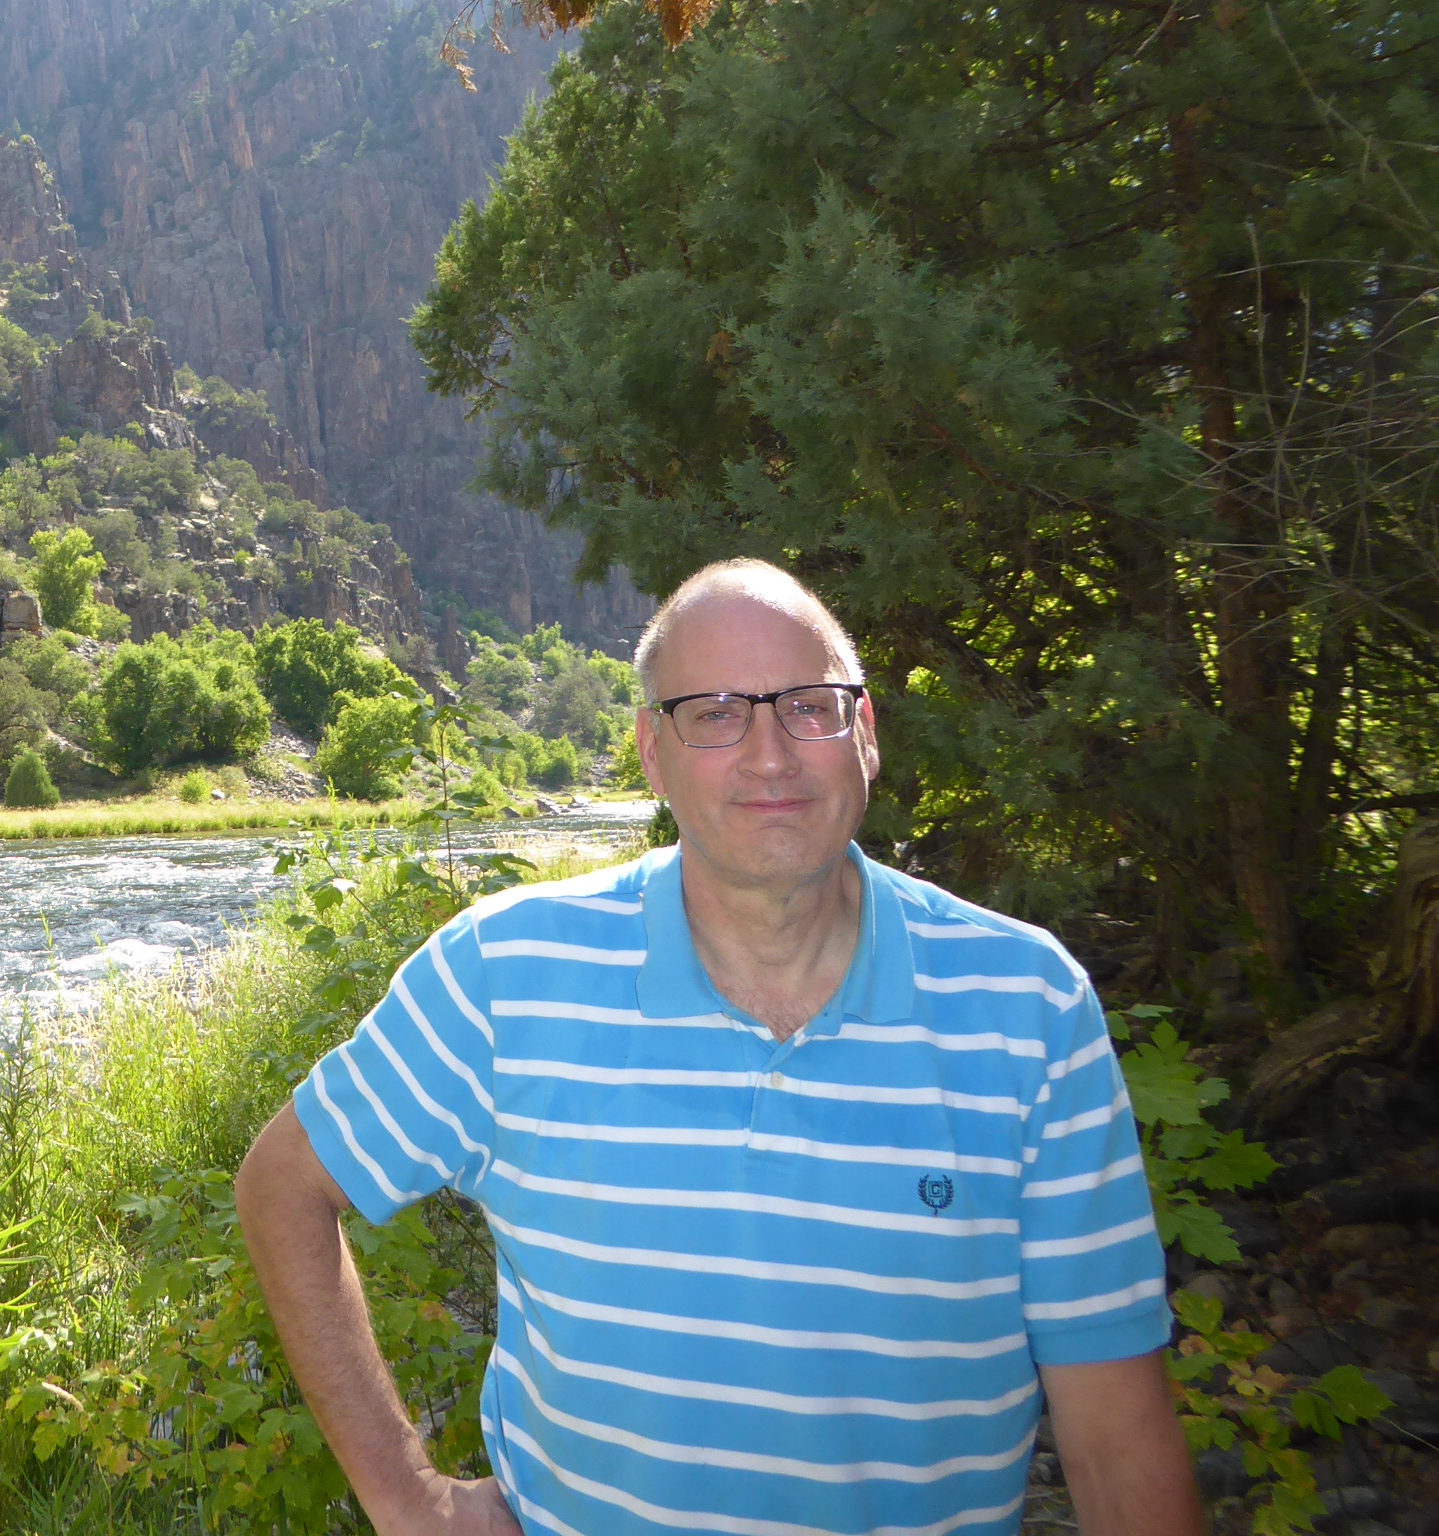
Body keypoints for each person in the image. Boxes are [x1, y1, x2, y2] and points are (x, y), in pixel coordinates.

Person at [236, 559, 1201, 1536]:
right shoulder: (501, 975)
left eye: (809, 707)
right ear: (651, 756)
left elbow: (1116, 1438)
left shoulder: (1026, 1006)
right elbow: (284, 1184)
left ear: (863, 736)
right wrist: (406, 1497)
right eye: (716, 713)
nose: (771, 755)